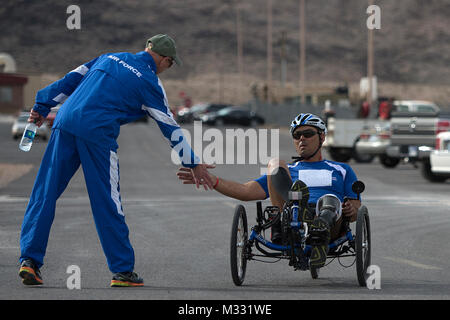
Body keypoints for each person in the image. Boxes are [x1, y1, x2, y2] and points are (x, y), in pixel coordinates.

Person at [18, 34, 213, 287]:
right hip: (97, 133)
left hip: (64, 123)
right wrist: (193, 163)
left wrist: (42, 105)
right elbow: (170, 127)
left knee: (45, 192)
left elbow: (70, 80)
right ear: (164, 59)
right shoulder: (150, 82)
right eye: (171, 64)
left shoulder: (110, 57)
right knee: (108, 201)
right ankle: (122, 271)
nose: (168, 68)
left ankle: (29, 262)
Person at [177, 113, 361, 269]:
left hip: (330, 223)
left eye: (307, 133)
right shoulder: (287, 171)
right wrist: (213, 180)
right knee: (275, 163)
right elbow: (246, 191)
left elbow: (354, 210)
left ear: (322, 137)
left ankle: (318, 230)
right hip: (293, 220)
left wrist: (351, 210)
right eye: (297, 135)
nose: (301, 139)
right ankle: (300, 212)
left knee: (328, 200)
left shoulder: (341, 169)